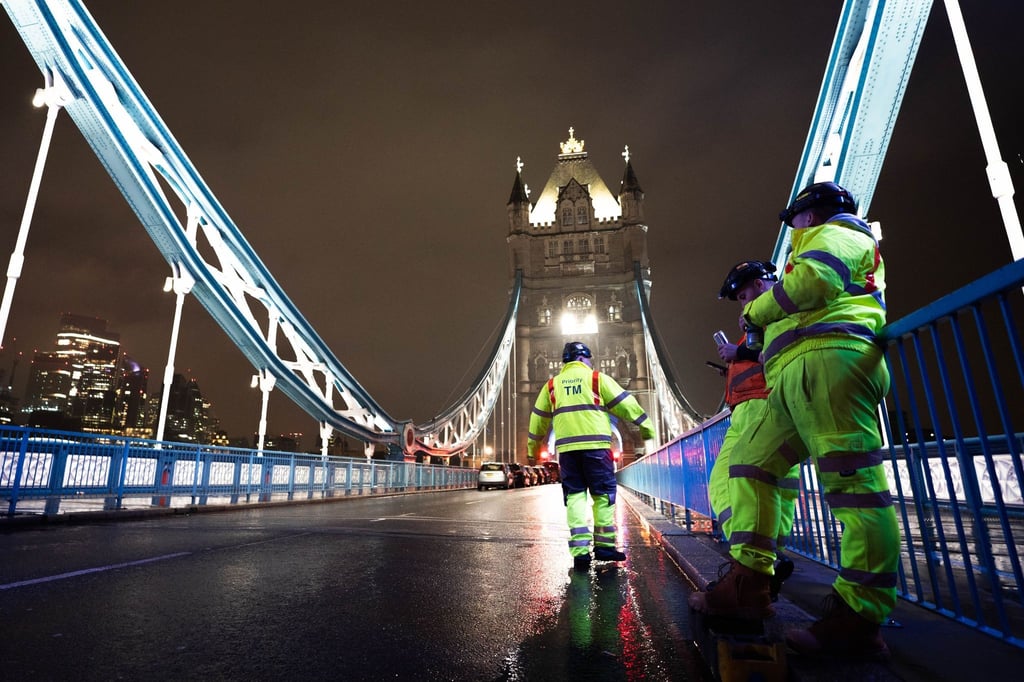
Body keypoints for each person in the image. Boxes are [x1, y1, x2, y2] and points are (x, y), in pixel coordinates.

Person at [689, 182, 899, 660]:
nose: (791, 230)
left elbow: (812, 285)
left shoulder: (841, 235)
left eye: (794, 221)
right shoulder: (813, 245)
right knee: (747, 465)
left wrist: (756, 314)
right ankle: (748, 588)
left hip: (831, 367)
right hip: (795, 379)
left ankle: (859, 619)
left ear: (811, 214)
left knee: (857, 492)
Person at [708, 260, 802, 601]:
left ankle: (750, 565)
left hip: (759, 408)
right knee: (775, 486)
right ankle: (768, 561)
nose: (744, 304)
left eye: (744, 294)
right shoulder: (775, 310)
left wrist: (741, 351)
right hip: (771, 402)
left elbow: (781, 348)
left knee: (725, 480)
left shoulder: (773, 309)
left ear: (762, 285)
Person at [528, 341, 657, 571]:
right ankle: (604, 547)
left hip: (567, 452)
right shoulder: (596, 379)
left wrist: (531, 448)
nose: (591, 363)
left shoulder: (551, 386)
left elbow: (538, 418)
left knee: (575, 497)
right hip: (596, 448)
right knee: (603, 495)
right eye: (589, 359)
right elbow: (625, 403)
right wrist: (645, 426)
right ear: (582, 358)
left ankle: (580, 553)